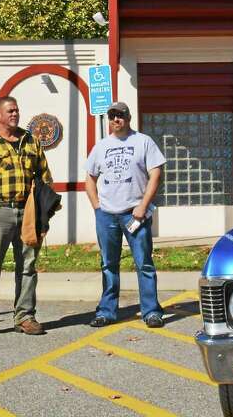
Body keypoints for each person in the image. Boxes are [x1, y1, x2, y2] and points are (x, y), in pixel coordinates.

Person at [0, 96, 54, 339]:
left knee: (27, 266)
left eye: (17, 110)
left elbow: (45, 177)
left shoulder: (31, 141)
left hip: (27, 212)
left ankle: (25, 317)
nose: (15, 114)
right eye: (10, 111)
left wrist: (43, 212)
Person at [85, 101, 166, 328]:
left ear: (128, 118)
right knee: (108, 264)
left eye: (120, 116)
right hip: (107, 215)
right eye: (112, 116)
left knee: (144, 264)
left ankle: (151, 311)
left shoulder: (143, 142)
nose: (115, 120)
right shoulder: (101, 146)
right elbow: (89, 178)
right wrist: (97, 207)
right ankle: (107, 311)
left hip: (134, 214)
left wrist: (143, 206)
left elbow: (156, 174)